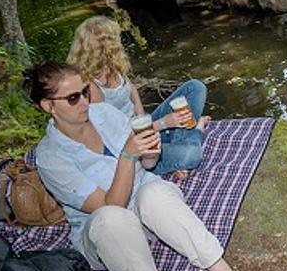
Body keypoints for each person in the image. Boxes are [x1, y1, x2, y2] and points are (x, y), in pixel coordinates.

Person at [29, 62, 287, 271]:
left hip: (148, 212)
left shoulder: (104, 114)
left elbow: (149, 165)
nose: (85, 100)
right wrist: (127, 155)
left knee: (155, 193)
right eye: (73, 98)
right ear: (48, 106)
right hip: (107, 237)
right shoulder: (51, 157)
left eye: (85, 91)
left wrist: (149, 149)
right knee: (112, 220)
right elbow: (112, 206)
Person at [67, 16, 208, 178]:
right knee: (192, 155)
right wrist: (163, 123)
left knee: (196, 87)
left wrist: (141, 115)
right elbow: (116, 138)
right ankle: (194, 132)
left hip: (144, 127)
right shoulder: (90, 88)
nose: (120, 41)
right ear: (106, 46)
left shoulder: (112, 65)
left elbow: (131, 88)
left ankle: (174, 148)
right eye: (116, 38)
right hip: (133, 147)